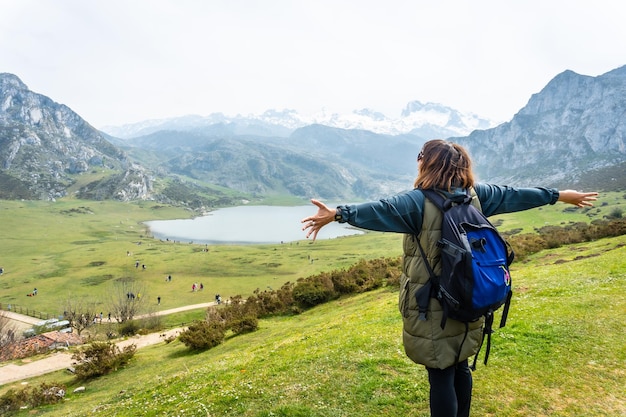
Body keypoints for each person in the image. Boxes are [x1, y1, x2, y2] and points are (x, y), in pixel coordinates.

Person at [301, 139, 598, 417]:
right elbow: (516, 194)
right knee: (460, 367)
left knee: (440, 374)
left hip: (433, 305)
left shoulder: (417, 202)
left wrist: (339, 213)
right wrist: (559, 196)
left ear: (427, 164)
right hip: (472, 294)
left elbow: (381, 209)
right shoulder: (477, 196)